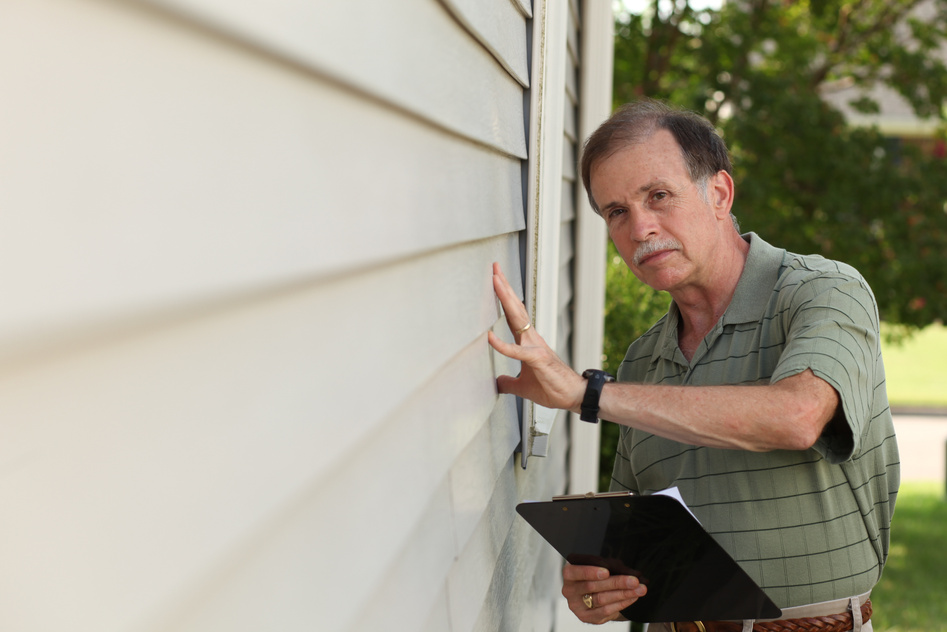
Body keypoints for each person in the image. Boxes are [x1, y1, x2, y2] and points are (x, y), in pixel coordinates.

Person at [488, 100, 899, 631]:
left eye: (658, 196)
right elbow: (638, 542)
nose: (639, 228)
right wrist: (599, 590)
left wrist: (587, 393)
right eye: (616, 212)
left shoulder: (823, 291)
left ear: (720, 194)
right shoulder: (642, 359)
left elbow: (799, 416)